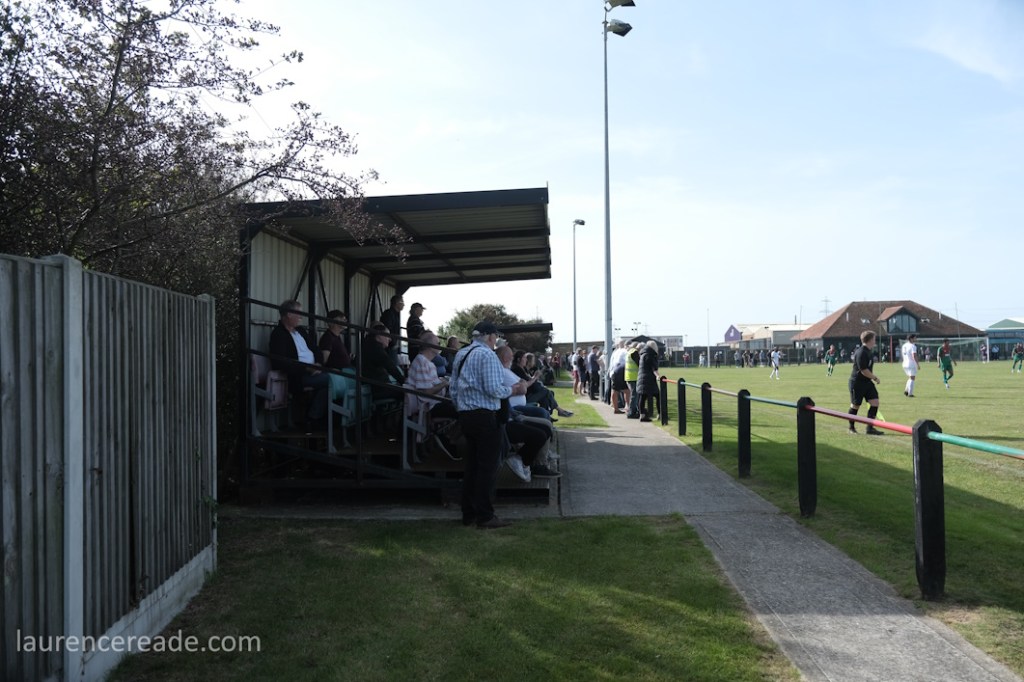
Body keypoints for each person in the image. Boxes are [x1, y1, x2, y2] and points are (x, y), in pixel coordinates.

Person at [449, 320, 526, 530]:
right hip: (485, 416)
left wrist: (461, 408)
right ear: (490, 336)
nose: (496, 341)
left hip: (466, 415)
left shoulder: (462, 353)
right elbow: (494, 389)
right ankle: (485, 516)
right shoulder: (487, 355)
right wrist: (514, 390)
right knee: (487, 468)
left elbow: (453, 388)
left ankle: (468, 513)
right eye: (495, 337)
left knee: (472, 466)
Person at [268, 299, 329, 427]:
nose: (301, 317)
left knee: (335, 380)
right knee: (331, 380)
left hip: (314, 371)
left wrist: (318, 364)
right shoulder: (278, 334)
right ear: (289, 314)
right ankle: (313, 418)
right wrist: (307, 369)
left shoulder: (301, 331)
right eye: (299, 313)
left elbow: (316, 350)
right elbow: (280, 362)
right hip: (298, 376)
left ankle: (313, 417)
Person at [848, 330, 884, 435]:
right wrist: (875, 378)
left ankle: (870, 428)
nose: (875, 341)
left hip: (867, 382)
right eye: (874, 338)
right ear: (870, 340)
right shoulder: (861, 352)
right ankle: (851, 428)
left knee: (875, 402)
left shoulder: (868, 351)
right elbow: (863, 370)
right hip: (857, 383)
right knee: (855, 405)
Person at [361, 322, 406, 400]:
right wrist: (405, 382)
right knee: (409, 393)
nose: (390, 339)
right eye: (387, 335)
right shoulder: (376, 349)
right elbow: (390, 366)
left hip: (375, 385)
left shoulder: (368, 345)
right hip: (378, 388)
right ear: (379, 336)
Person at [636, 340, 661, 422]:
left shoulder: (643, 354)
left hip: (642, 378)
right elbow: (653, 368)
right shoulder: (650, 355)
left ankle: (642, 415)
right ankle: (660, 414)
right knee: (658, 396)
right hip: (648, 379)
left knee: (642, 397)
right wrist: (658, 376)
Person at [379, 294, 404, 361]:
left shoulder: (394, 314)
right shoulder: (389, 314)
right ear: (397, 303)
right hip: (389, 345)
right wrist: (392, 342)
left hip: (392, 344)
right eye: (402, 302)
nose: (403, 305)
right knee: (392, 364)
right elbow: (387, 329)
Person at [608, 341, 629, 414]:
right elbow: (627, 361)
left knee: (614, 390)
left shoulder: (615, 352)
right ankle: (627, 406)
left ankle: (615, 408)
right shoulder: (625, 351)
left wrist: (610, 372)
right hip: (622, 371)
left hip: (614, 371)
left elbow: (611, 362)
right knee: (626, 390)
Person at [624, 342, 641, 418]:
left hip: (629, 376)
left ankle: (633, 410)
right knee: (634, 395)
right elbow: (639, 364)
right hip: (634, 377)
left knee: (633, 395)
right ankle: (632, 412)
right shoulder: (634, 352)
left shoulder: (629, 352)